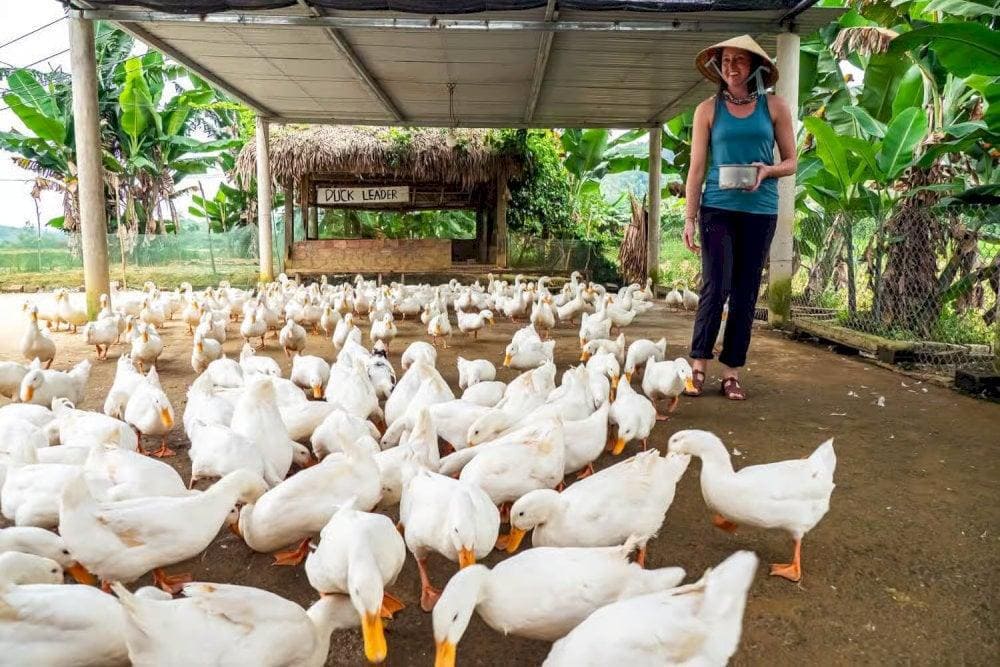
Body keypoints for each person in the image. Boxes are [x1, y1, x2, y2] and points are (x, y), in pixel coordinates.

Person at [682, 35, 796, 400]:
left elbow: (792, 161)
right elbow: (697, 168)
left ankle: (731, 372)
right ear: (718, 67)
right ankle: (698, 365)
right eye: (726, 61)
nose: (732, 67)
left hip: (760, 211)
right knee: (715, 286)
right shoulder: (707, 110)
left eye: (740, 61)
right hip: (716, 207)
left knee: (746, 293)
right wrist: (689, 217)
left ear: (755, 67)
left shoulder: (775, 107)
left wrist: (768, 170)